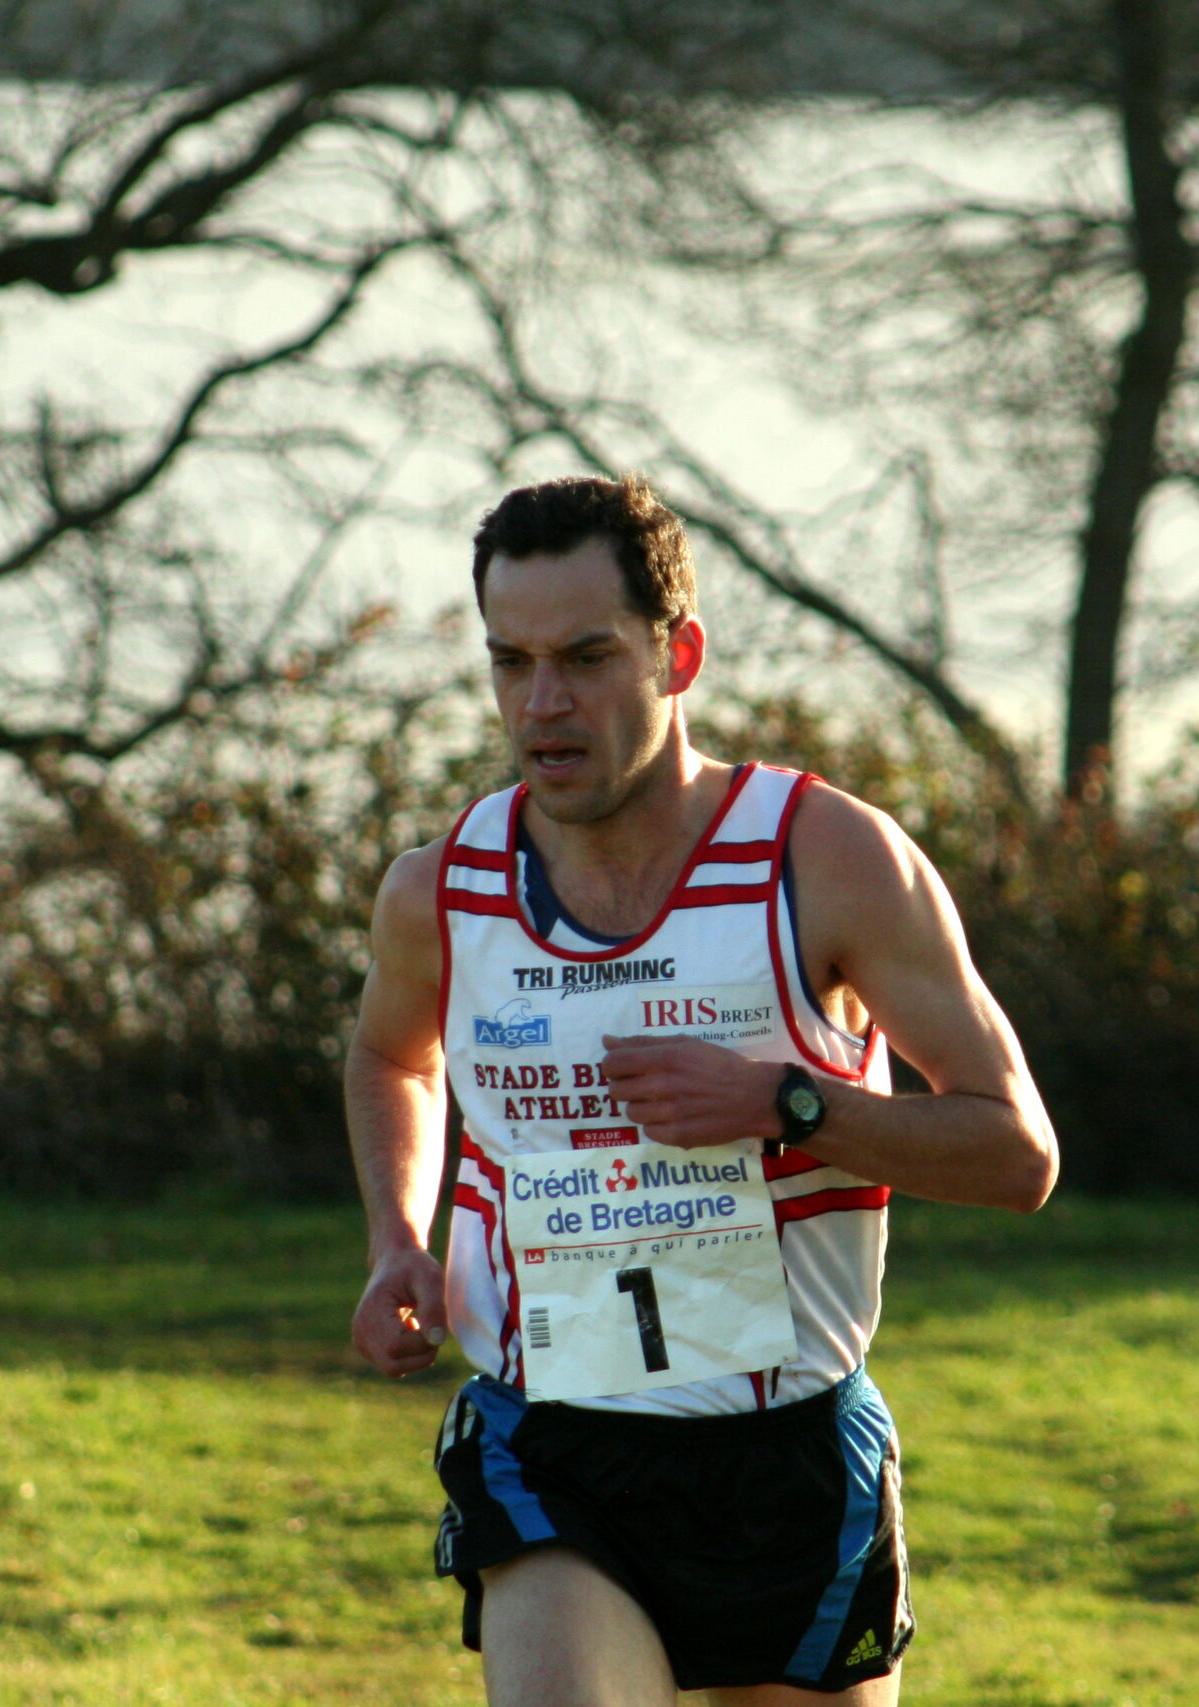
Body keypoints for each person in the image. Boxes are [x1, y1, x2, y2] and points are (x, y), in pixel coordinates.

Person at [346, 475, 1058, 1705]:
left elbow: (1015, 1153)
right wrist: (397, 1240)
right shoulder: (442, 889)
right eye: (509, 663)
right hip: (551, 1438)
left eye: (586, 657)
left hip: (786, 1452)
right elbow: (388, 1057)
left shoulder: (827, 859)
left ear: (678, 654)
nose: (543, 704)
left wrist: (788, 1103)